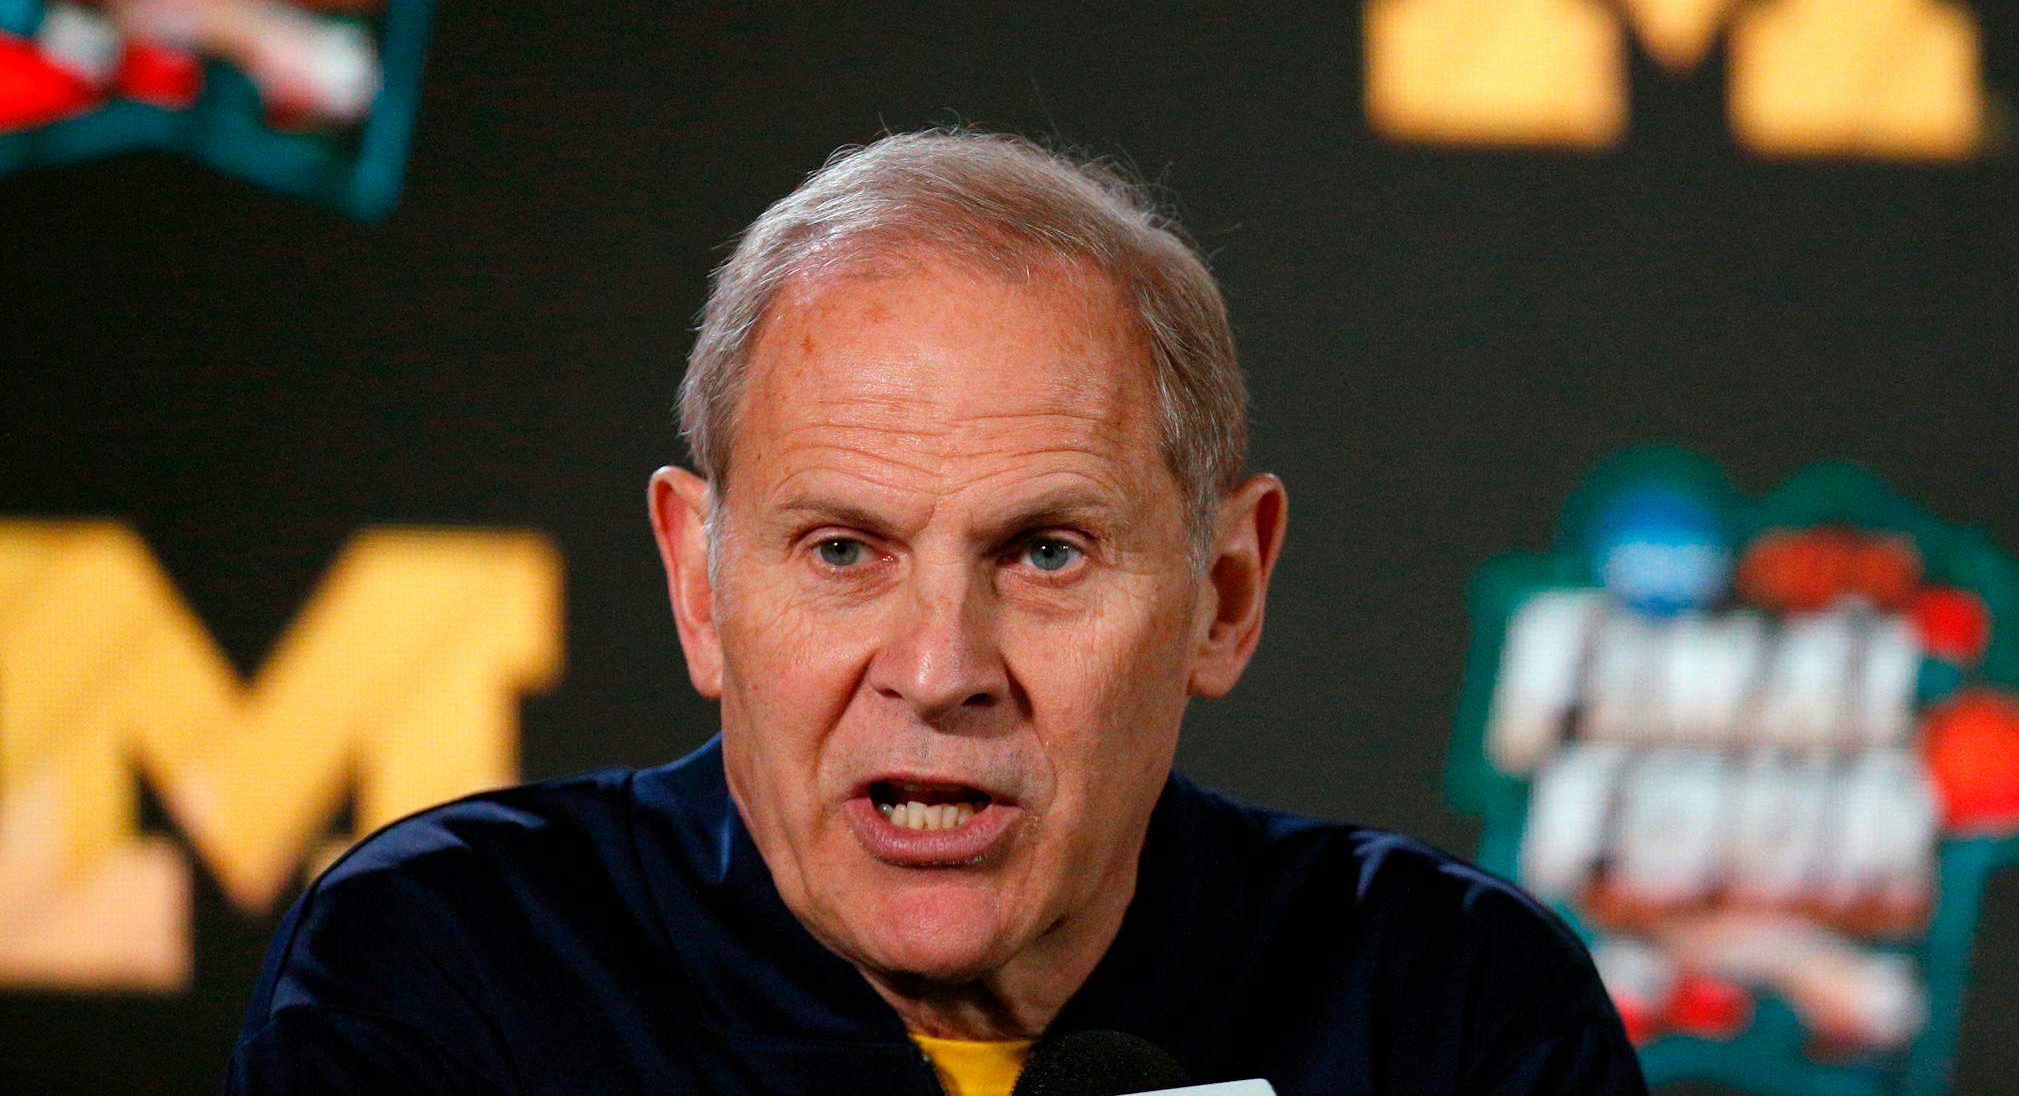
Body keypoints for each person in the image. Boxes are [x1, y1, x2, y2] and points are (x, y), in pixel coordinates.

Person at [227, 130, 1645, 1096]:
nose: (939, 666)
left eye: (1045, 551)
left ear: (1224, 594)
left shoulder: (1450, 1009)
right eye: (844, 547)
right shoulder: (455, 972)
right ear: (696, 581)